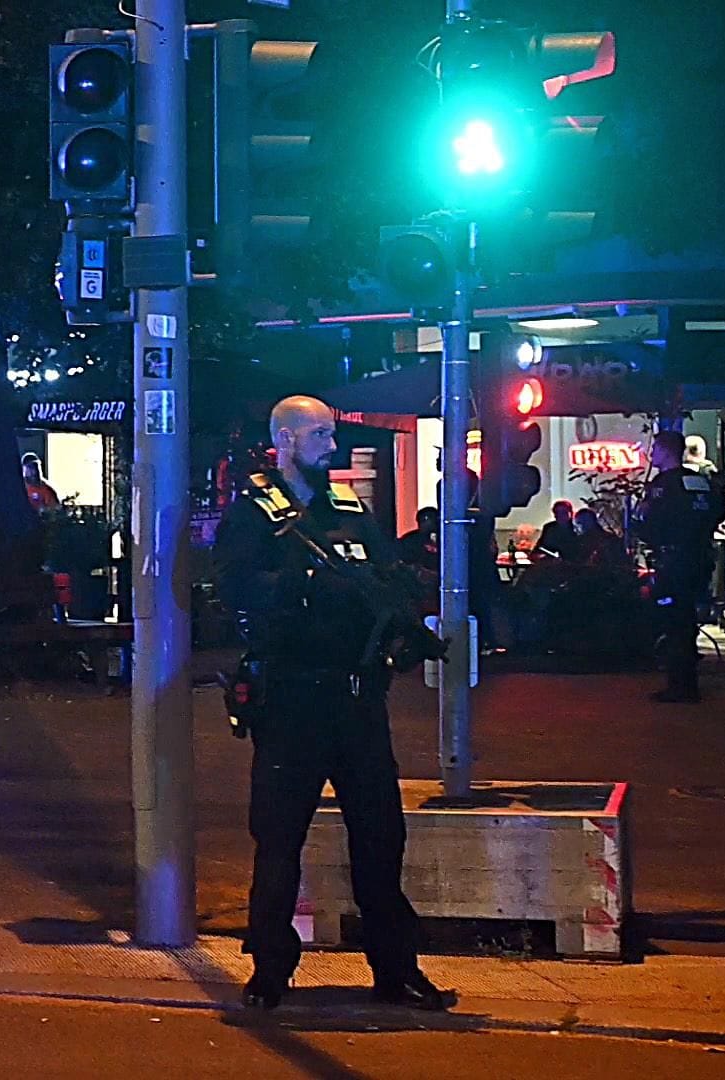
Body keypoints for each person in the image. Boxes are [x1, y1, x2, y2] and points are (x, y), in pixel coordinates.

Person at [213, 395, 451, 1013]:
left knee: (380, 837)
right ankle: (270, 970)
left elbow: (387, 579)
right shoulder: (255, 516)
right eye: (320, 434)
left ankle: (396, 968)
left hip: (356, 698)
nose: (332, 445)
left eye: (332, 432)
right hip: (292, 698)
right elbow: (234, 587)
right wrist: (309, 582)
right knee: (278, 839)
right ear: (286, 439)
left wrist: (402, 627)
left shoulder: (351, 510)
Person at [635, 430, 725, 704]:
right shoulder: (700, 481)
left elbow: (648, 521)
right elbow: (718, 512)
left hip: (674, 561)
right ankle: (687, 683)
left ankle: (681, 686)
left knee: (673, 621)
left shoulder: (663, 485)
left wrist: (657, 539)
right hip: (699, 558)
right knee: (686, 620)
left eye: (655, 449)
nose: (652, 455)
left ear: (665, 451)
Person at [396, 506, 441, 571]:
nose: (428, 523)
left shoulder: (448, 539)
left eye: (432, 519)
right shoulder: (410, 541)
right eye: (423, 520)